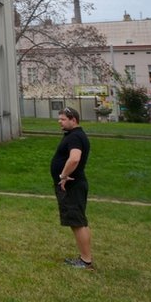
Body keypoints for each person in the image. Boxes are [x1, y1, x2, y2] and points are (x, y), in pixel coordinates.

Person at [51, 106, 93, 269]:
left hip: (72, 185)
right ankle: (85, 258)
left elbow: (74, 159)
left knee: (77, 222)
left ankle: (85, 261)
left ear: (73, 120)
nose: (59, 122)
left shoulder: (75, 137)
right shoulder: (75, 135)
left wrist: (63, 176)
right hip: (75, 184)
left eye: (62, 119)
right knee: (79, 221)